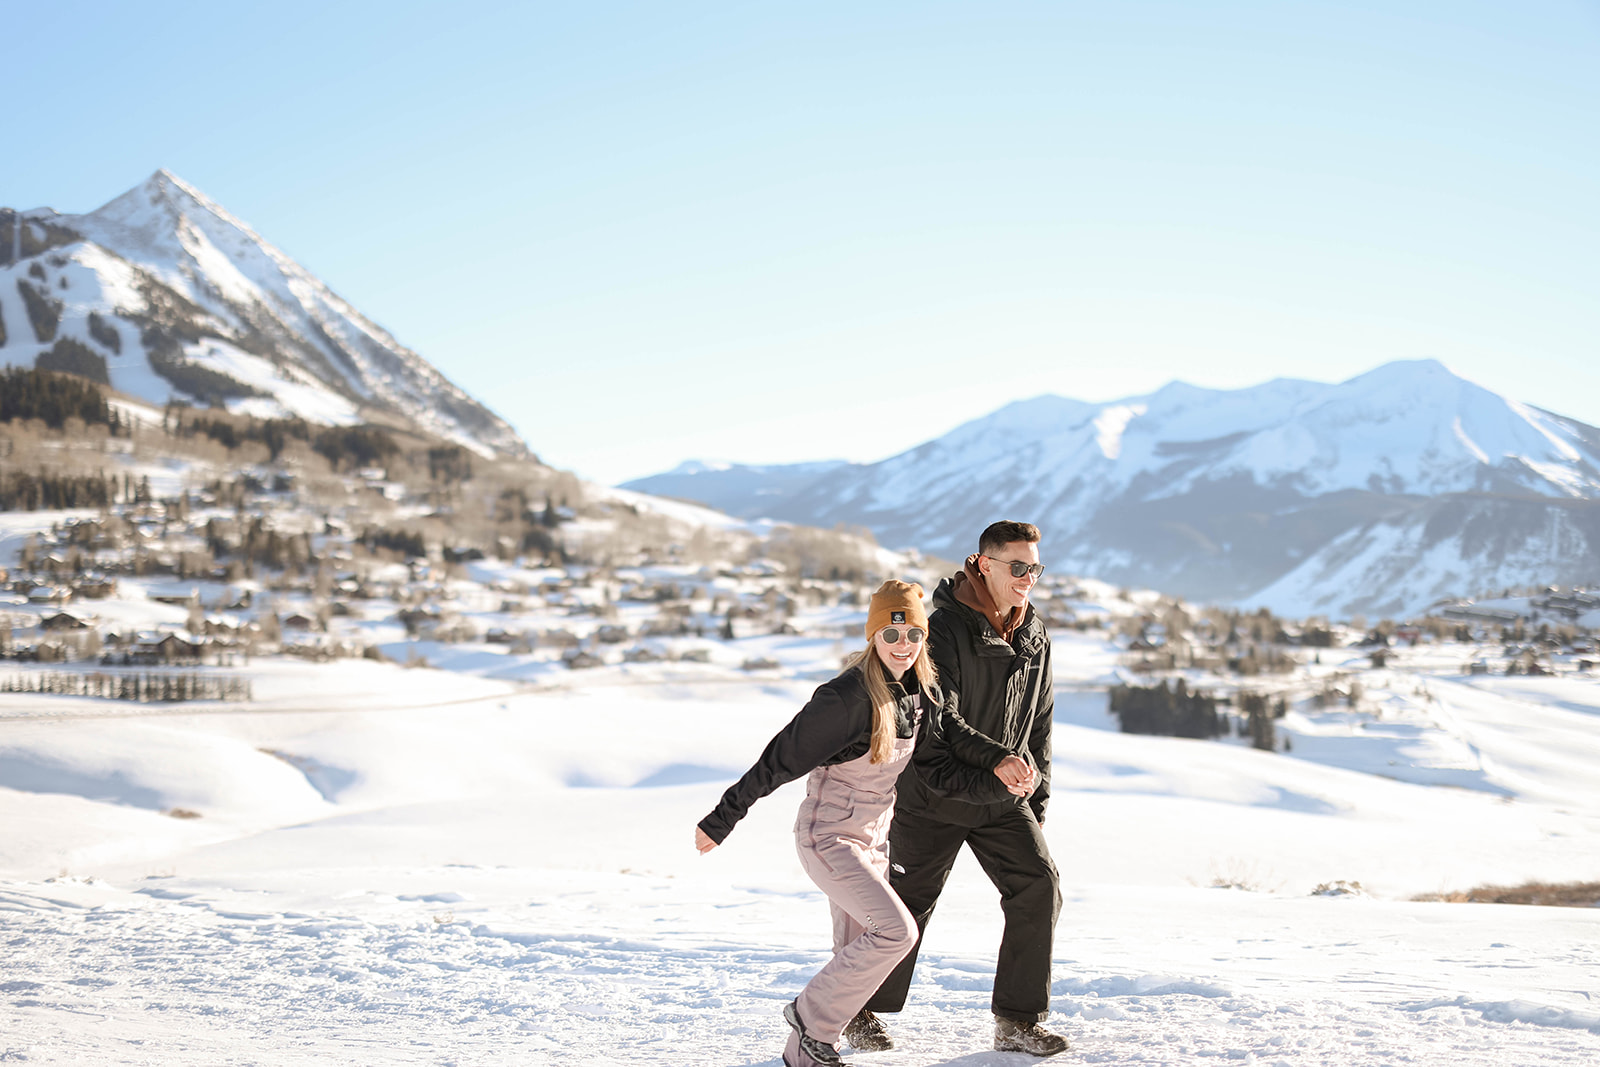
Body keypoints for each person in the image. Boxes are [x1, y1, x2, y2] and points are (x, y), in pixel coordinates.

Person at [695, 580, 1031, 1067]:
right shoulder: (846, 698)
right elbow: (780, 758)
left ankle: (805, 1054)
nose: (902, 646)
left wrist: (1000, 762)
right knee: (897, 933)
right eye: (891, 635)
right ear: (873, 636)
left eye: (913, 635)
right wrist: (724, 817)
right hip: (829, 836)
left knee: (854, 951)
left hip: (874, 837)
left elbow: (953, 733)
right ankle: (807, 1016)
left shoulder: (922, 689)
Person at [854, 520, 1068, 1057]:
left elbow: (1038, 720)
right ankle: (853, 1009)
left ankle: (1017, 1021)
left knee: (1038, 887)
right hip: (936, 793)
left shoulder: (1034, 631)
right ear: (983, 564)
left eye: (1034, 568)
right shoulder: (942, 630)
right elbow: (940, 719)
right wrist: (998, 762)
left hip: (1003, 797)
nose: (1027, 578)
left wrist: (1035, 798)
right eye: (1016, 567)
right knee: (906, 907)